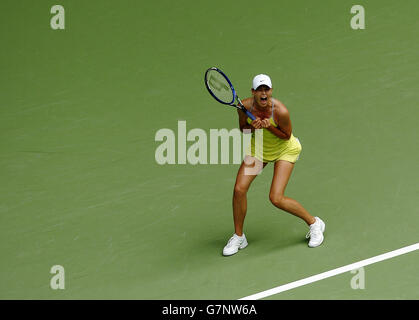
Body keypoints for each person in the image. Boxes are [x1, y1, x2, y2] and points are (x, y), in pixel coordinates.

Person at [222, 74, 326, 256]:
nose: (263, 93)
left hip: (284, 150)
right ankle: (239, 237)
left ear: (271, 91)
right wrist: (254, 127)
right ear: (253, 92)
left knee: (276, 198)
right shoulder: (244, 107)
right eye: (259, 90)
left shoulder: (280, 111)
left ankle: (314, 223)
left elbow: (286, 136)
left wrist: (268, 126)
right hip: (260, 149)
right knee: (239, 189)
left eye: (266, 89)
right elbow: (243, 129)